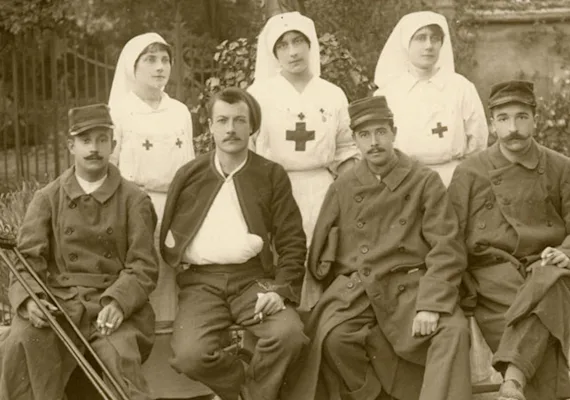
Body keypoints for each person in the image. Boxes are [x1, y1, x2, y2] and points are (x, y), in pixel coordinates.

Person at [285, 96, 471, 400]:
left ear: (394, 132)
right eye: (364, 135)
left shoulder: (424, 181)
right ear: (356, 141)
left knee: (453, 331)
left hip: (412, 285)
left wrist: (431, 304)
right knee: (334, 337)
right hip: (359, 287)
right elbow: (320, 251)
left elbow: (446, 246)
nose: (374, 142)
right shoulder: (344, 186)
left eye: (381, 132)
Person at [0, 104, 159, 400]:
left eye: (101, 140)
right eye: (86, 141)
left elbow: (143, 266)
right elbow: (25, 262)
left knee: (121, 360)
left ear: (112, 144)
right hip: (59, 306)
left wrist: (118, 303)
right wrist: (30, 302)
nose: (94, 149)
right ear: (71, 145)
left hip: (111, 307)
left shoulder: (134, 200)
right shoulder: (47, 198)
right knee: (22, 343)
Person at [160, 87, 308, 400]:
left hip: (253, 280)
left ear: (252, 126)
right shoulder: (190, 174)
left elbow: (292, 241)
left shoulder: (270, 174)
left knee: (289, 335)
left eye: (240, 120)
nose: (231, 129)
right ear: (210, 127)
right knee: (189, 355)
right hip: (201, 284)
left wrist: (280, 291)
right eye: (222, 120)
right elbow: (170, 235)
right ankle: (244, 387)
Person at [448, 80, 570, 400]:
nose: (513, 127)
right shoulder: (470, 171)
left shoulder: (559, 167)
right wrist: (458, 284)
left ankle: (512, 381)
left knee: (551, 279)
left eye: (521, 117)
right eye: (503, 119)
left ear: (535, 119)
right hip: (492, 274)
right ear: (491, 124)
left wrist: (566, 251)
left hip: (545, 264)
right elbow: (450, 235)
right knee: (545, 310)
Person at [249, 11, 359, 246]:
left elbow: (346, 150)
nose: (293, 52)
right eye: (283, 45)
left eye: (298, 41)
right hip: (274, 192)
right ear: (274, 52)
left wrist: (349, 200)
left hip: (322, 191)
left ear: (310, 44)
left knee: (324, 256)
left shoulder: (332, 94)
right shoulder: (259, 95)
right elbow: (247, 150)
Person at [108, 32, 195, 329]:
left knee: (172, 274)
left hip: (175, 205)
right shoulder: (120, 112)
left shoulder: (180, 111)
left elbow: (190, 165)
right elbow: (111, 166)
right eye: (150, 60)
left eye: (164, 60)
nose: (160, 67)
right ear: (133, 67)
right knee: (141, 269)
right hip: (135, 205)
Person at [374, 11, 488, 186]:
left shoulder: (461, 87)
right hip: (403, 182)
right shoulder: (387, 94)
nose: (429, 45)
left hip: (452, 181)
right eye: (421, 38)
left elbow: (478, 142)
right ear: (406, 43)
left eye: (435, 38)